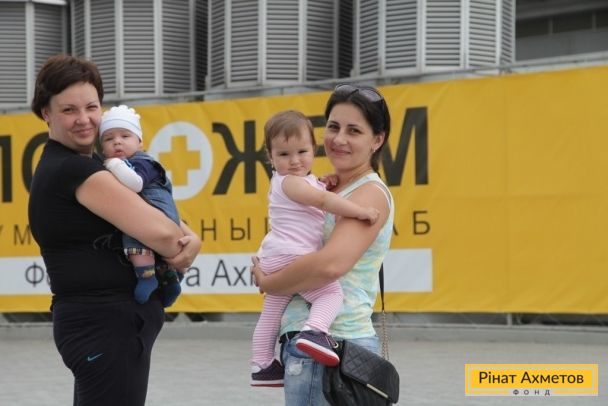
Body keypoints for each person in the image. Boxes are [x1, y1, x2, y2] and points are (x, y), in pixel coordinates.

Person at [27, 54, 201, 406]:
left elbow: (163, 218)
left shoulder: (92, 165)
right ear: (46, 113)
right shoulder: (75, 171)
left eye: (91, 107)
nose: (84, 119)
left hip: (105, 325)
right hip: (104, 327)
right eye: (69, 110)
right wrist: (183, 241)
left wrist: (191, 238)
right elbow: (167, 237)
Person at [252, 84, 394, 405]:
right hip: (310, 348)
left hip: (336, 343)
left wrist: (270, 282)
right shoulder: (325, 186)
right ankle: (260, 361)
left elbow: (330, 265)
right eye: (333, 127)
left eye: (354, 130)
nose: (339, 139)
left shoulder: (369, 193)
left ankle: (261, 361)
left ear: (377, 140)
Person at [100, 104, 183, 307]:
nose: (117, 141)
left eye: (125, 136)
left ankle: (146, 276)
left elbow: (136, 184)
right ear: (102, 147)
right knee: (154, 252)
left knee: (132, 232)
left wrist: (113, 164)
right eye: (109, 138)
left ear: (140, 141)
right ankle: (170, 281)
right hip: (155, 214)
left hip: (158, 212)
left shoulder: (143, 162)